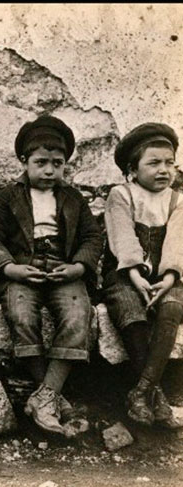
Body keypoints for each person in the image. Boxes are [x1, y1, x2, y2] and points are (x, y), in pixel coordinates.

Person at [0, 115, 103, 435]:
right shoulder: (8, 197)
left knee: (78, 313)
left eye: (57, 163)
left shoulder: (74, 198)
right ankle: (53, 397)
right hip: (23, 269)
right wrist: (9, 268)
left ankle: (44, 397)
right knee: (20, 312)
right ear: (25, 161)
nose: (49, 170)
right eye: (41, 162)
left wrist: (78, 267)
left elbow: (93, 237)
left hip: (64, 268)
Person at [101, 122, 183, 429]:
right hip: (125, 275)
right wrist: (136, 276)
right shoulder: (121, 195)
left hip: (166, 277)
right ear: (132, 170)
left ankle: (141, 390)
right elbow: (123, 239)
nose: (164, 170)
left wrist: (171, 277)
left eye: (169, 162)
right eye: (154, 163)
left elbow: (178, 241)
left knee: (173, 306)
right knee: (130, 308)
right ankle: (157, 395)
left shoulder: (178, 201)